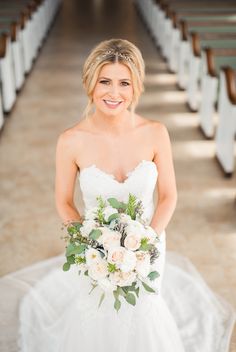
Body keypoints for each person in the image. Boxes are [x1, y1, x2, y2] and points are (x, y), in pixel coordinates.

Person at [0, 38, 235, 351]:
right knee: (97, 313)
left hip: (150, 245)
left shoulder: (155, 133)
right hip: (94, 251)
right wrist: (94, 245)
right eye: (105, 82)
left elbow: (168, 196)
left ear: (136, 86)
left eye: (124, 83)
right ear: (90, 83)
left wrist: (145, 244)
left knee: (143, 312)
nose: (114, 93)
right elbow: (64, 202)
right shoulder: (71, 140)